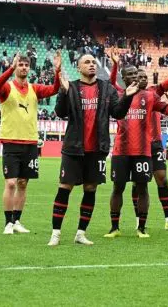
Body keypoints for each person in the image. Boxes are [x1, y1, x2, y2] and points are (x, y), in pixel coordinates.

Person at [48, 54, 138, 246]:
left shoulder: (107, 88)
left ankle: (81, 233)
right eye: (86, 62)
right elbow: (60, 112)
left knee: (90, 189)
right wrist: (63, 92)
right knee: (65, 188)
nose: (91, 65)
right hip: (73, 148)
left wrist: (128, 98)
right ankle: (55, 233)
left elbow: (118, 112)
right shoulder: (70, 86)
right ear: (78, 67)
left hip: (97, 149)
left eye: (93, 62)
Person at [110, 45, 168, 231]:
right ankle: (138, 220)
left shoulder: (154, 92)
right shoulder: (123, 93)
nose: (142, 79)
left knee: (161, 179)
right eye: (139, 77)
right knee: (135, 184)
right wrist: (115, 65)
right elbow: (111, 83)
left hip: (153, 144)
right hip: (130, 145)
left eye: (145, 77)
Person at [104, 66, 168, 239]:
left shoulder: (150, 96)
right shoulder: (118, 94)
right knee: (118, 188)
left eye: (135, 74)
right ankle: (114, 227)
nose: (134, 77)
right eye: (129, 75)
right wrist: (114, 65)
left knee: (143, 188)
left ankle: (141, 228)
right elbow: (111, 84)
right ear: (124, 78)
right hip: (121, 150)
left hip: (143, 151)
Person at [0, 51, 61, 235]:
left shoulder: (35, 89)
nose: (23, 67)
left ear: (30, 68)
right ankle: (8, 223)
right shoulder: (8, 88)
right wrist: (10, 68)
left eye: (26, 65)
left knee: (23, 183)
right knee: (10, 183)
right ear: (17, 67)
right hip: (11, 141)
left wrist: (57, 71)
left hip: (31, 142)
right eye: (21, 65)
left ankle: (17, 221)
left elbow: (54, 89)